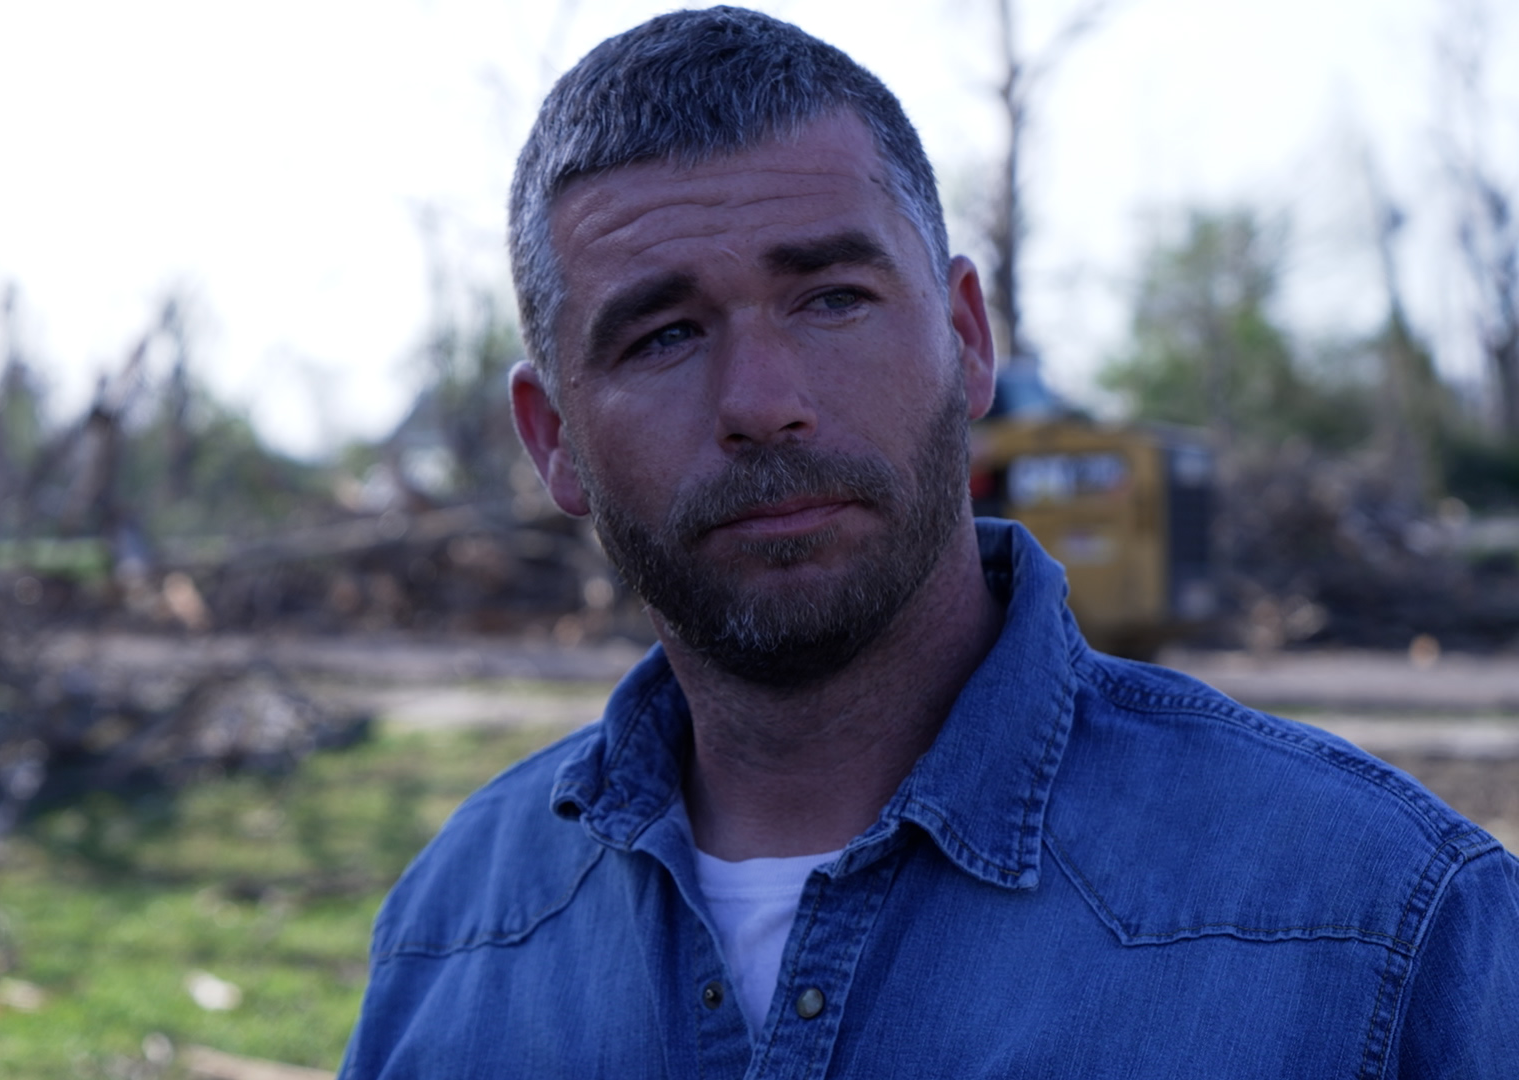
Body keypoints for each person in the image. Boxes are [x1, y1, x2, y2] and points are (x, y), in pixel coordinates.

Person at [341, 8, 1519, 1077]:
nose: (763, 402)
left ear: (966, 338)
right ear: (552, 439)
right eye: (662, 337)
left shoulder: (1385, 926)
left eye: (833, 299)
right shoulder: (452, 932)